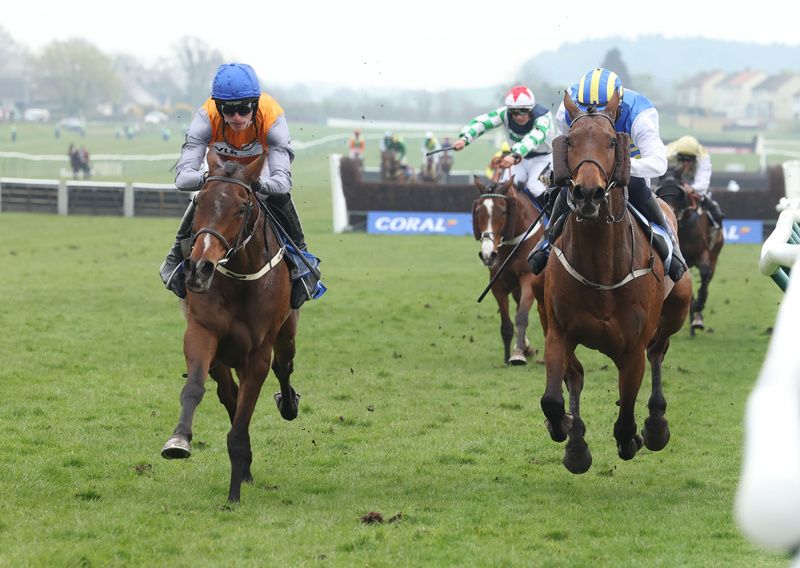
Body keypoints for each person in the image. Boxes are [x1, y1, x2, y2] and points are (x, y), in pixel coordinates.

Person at [159, 62, 323, 309]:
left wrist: (253, 182)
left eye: (244, 109)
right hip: (221, 170)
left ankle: (301, 262)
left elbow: (282, 181)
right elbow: (183, 178)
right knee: (209, 197)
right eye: (228, 109)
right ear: (218, 106)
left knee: (279, 198)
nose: (237, 116)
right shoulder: (206, 117)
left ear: (255, 104)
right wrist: (211, 180)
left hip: (259, 169)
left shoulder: (272, 118)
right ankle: (175, 256)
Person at [527, 68, 688, 282]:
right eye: (587, 112)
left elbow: (659, 164)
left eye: (603, 111)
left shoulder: (640, 113)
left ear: (618, 104)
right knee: (565, 191)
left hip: (629, 168)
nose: (594, 117)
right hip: (585, 169)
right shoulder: (567, 110)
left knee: (638, 188)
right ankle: (546, 241)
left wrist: (617, 166)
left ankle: (670, 246)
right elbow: (566, 147)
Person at [452, 85, 554, 209]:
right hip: (519, 160)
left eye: (523, 111)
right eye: (514, 112)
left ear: (531, 108)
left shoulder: (543, 116)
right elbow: (482, 122)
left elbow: (534, 138)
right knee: (503, 189)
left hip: (543, 159)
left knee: (535, 186)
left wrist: (515, 155)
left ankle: (553, 218)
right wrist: (465, 138)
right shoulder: (504, 114)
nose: (518, 116)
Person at [665, 135, 725, 226]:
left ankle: (717, 226)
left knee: (714, 209)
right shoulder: (668, 152)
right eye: (682, 159)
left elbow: (703, 182)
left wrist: (692, 188)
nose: (685, 163)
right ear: (677, 156)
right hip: (674, 183)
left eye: (689, 160)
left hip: (693, 184)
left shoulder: (703, 157)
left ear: (695, 158)